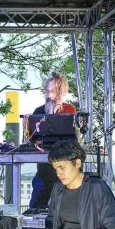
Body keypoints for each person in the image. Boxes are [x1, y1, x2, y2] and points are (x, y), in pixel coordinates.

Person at [27, 71, 77, 211]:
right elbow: (31, 139)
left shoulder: (69, 110)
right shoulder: (39, 111)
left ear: (61, 92)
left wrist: (54, 116)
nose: (49, 96)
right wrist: (47, 115)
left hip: (63, 172)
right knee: (35, 206)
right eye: (47, 91)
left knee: (63, 209)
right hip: (44, 171)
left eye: (53, 92)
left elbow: (69, 140)